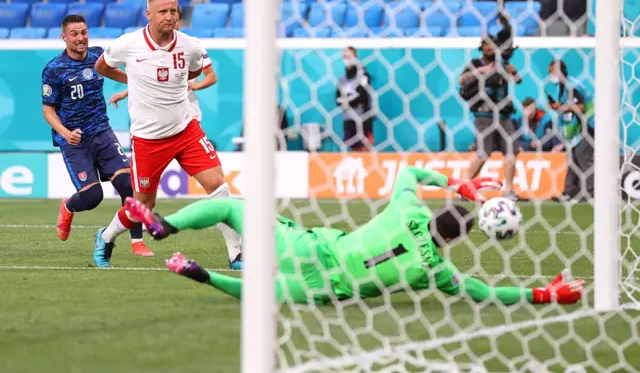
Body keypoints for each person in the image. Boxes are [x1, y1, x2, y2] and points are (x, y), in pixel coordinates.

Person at [123, 168, 584, 306]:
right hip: (329, 289)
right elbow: (483, 292)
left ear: (433, 213)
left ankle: (167, 226)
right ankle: (202, 275)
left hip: (314, 246)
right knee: (264, 295)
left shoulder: (408, 207)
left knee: (230, 206)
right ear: (456, 241)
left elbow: (409, 172)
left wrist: (458, 186)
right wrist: (543, 293)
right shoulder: (436, 270)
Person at [94, 0, 243, 269]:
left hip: (186, 131)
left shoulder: (190, 45)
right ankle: (106, 236)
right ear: (148, 14)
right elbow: (102, 65)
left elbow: (196, 71)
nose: (170, 16)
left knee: (218, 187)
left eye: (174, 11)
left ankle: (236, 255)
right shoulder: (128, 43)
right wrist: (131, 79)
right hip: (148, 139)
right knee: (143, 206)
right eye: (163, 11)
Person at [41, 14, 152, 258]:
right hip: (75, 141)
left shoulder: (98, 56)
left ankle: (137, 242)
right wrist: (66, 133)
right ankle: (68, 206)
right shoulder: (54, 69)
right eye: (74, 34)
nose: (80, 38)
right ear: (64, 37)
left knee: (128, 185)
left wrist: (137, 84)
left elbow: (124, 75)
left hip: (102, 131)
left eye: (83, 32)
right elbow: (47, 110)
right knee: (92, 197)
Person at [458, 36, 523, 200]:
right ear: (482, 47)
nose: (490, 48)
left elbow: (518, 80)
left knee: (511, 151)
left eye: (493, 45)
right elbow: (461, 80)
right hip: (483, 113)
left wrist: (513, 72)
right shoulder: (475, 63)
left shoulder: (502, 64)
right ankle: (464, 188)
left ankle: (508, 190)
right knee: (483, 153)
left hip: (503, 113)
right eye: (487, 45)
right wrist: (480, 72)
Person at [546, 60, 595, 203]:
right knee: (572, 160)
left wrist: (559, 107)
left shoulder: (571, 86)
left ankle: (593, 193)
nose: (550, 75)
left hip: (586, 128)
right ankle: (569, 192)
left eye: (552, 72)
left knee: (585, 160)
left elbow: (579, 107)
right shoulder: (564, 86)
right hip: (577, 131)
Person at [336, 46, 374, 152]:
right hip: (348, 119)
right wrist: (350, 102)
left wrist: (346, 101)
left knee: (364, 148)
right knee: (353, 149)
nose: (347, 59)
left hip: (363, 118)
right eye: (344, 57)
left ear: (356, 57)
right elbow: (337, 99)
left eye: (349, 56)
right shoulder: (342, 79)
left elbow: (363, 96)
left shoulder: (363, 75)